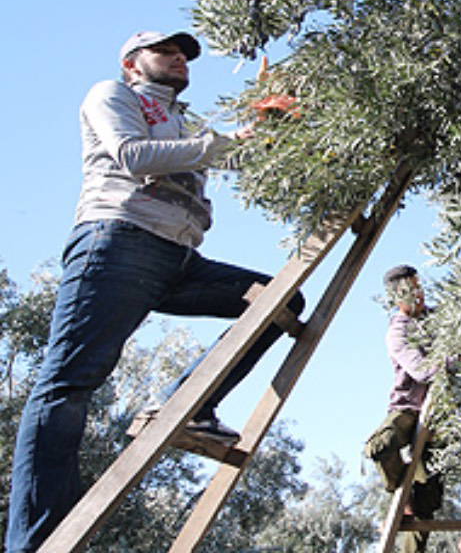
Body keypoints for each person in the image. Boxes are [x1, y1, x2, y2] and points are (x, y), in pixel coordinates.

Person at [6, 30, 302, 552]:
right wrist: (225, 143)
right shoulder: (113, 95)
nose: (179, 60)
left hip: (179, 258)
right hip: (117, 241)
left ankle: (188, 407)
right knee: (69, 384)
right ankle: (35, 542)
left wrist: (272, 125)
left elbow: (236, 157)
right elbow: (133, 155)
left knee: (279, 303)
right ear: (131, 63)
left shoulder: (187, 123)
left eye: (184, 54)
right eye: (164, 51)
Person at [364, 264, 446, 553]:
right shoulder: (397, 332)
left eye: (419, 287)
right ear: (395, 297)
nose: (418, 295)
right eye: (409, 291)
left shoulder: (439, 319)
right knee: (381, 445)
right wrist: (456, 359)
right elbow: (423, 371)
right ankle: (400, 488)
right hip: (408, 410)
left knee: (427, 505)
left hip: (441, 417)